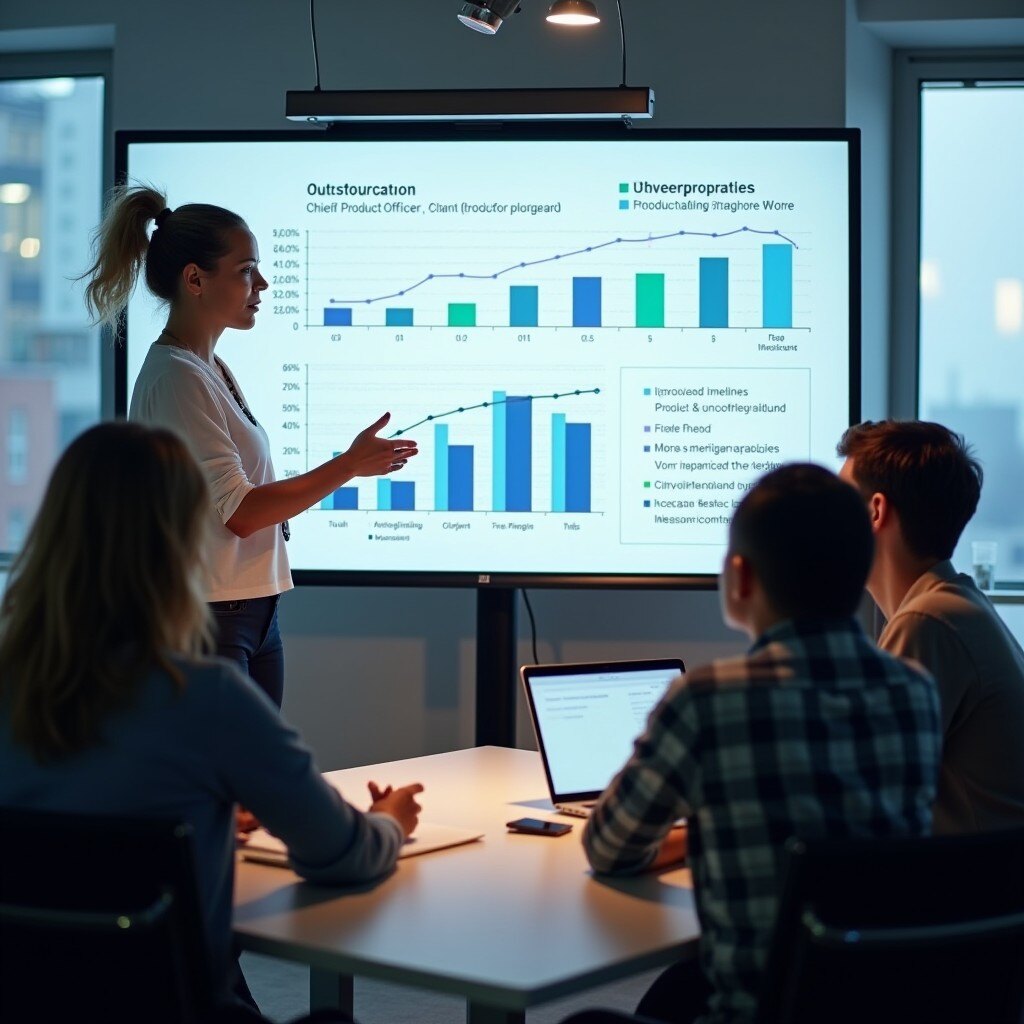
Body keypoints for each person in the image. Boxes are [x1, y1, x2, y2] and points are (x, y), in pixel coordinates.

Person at [0, 422, 424, 1012]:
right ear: (177, 546)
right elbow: (341, 854)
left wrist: (209, 817)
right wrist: (388, 821)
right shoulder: (208, 699)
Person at [582, 463, 941, 1024]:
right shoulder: (916, 693)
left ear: (740, 576)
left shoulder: (707, 700)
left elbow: (609, 847)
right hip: (884, 1006)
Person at [80, 185, 419, 708]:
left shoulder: (206, 367)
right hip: (211, 617)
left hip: (251, 611)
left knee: (251, 784)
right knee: (228, 783)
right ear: (195, 279)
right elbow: (239, 512)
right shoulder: (176, 377)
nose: (261, 283)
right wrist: (348, 466)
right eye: (245, 270)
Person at [837, 419, 1024, 834]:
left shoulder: (930, 621)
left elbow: (860, 794)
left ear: (875, 511)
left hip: (973, 891)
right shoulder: (955, 604)